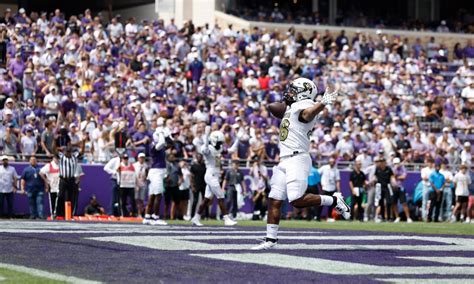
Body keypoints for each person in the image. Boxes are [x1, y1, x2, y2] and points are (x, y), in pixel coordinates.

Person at [252, 78, 349, 250]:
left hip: (297, 158)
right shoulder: (292, 106)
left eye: (293, 90)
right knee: (274, 200)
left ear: (303, 93)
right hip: (284, 160)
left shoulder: (304, 106)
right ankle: (270, 240)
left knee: (296, 199)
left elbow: (306, 115)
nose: (289, 92)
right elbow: (273, 106)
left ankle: (334, 200)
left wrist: (322, 103)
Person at [191, 127, 240, 226]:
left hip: (215, 175)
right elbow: (204, 150)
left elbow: (231, 150)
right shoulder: (208, 148)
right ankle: (226, 219)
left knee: (207, 198)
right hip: (211, 175)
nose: (221, 144)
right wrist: (206, 136)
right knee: (221, 196)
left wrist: (237, 138)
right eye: (219, 142)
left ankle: (196, 218)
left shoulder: (219, 148)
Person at [143, 124, 170, 225]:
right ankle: (156, 217)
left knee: (153, 195)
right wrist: (161, 132)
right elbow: (162, 141)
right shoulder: (154, 145)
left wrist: (167, 134)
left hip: (158, 171)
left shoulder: (160, 146)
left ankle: (147, 216)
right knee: (158, 195)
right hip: (156, 172)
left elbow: (169, 143)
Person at [56, 147, 79, 218]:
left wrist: (83, 141)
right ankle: (59, 213)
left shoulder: (74, 157)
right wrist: (54, 140)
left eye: (69, 152)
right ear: (64, 152)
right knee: (60, 196)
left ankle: (70, 213)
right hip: (63, 179)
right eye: (66, 152)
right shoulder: (61, 157)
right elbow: (54, 151)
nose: (68, 153)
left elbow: (81, 152)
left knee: (71, 197)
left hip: (71, 179)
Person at [318, 157, 341, 222]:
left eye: (333, 162)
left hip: (332, 189)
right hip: (324, 188)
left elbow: (337, 181)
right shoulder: (324, 168)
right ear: (329, 162)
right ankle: (317, 216)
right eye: (331, 162)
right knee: (321, 203)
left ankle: (329, 217)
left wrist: (339, 190)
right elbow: (317, 174)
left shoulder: (336, 170)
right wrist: (320, 183)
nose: (332, 163)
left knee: (331, 204)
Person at [391, 158, 413, 223]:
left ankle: (408, 218)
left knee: (404, 203)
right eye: (395, 163)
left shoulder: (403, 169)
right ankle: (397, 217)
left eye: (397, 163)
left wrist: (397, 177)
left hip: (401, 187)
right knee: (394, 203)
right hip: (394, 188)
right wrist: (396, 174)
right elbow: (392, 176)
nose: (396, 165)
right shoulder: (392, 169)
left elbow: (404, 177)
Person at [374, 157, 395, 222]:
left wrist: (393, 182)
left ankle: (388, 217)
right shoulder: (378, 169)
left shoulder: (388, 169)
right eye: (381, 162)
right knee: (381, 203)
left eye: (383, 162)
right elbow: (375, 176)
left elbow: (392, 176)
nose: (382, 163)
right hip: (380, 187)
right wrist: (373, 180)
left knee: (389, 202)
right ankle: (383, 217)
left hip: (387, 186)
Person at [165, 154, 183, 220]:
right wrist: (166, 179)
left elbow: (181, 175)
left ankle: (179, 216)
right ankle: (165, 215)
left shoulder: (177, 165)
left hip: (175, 186)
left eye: (173, 157)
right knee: (167, 202)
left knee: (177, 202)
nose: (173, 158)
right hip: (167, 186)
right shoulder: (165, 165)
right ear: (168, 158)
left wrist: (180, 181)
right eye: (171, 157)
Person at [190, 153, 206, 218]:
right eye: (198, 157)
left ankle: (205, 216)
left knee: (205, 201)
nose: (199, 158)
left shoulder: (204, 166)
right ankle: (192, 215)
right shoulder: (193, 166)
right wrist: (192, 186)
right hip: (196, 185)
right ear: (196, 158)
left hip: (204, 185)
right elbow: (191, 177)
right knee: (195, 201)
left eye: (200, 157)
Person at [133, 152, 148, 217]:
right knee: (136, 199)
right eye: (141, 158)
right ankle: (137, 212)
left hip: (143, 184)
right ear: (138, 158)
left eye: (143, 158)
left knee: (141, 199)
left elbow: (147, 175)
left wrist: (146, 178)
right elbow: (133, 175)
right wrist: (136, 184)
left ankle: (141, 213)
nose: (142, 159)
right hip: (136, 184)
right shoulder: (134, 165)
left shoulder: (146, 165)